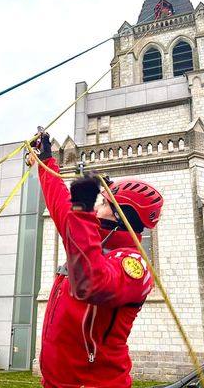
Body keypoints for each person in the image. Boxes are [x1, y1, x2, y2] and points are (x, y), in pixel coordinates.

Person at [33, 133, 164, 388]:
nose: (96, 207)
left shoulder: (134, 266)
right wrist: (46, 162)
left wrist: (82, 210)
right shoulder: (88, 236)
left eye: (103, 203)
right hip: (57, 383)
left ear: (118, 216)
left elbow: (90, 283)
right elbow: (60, 204)